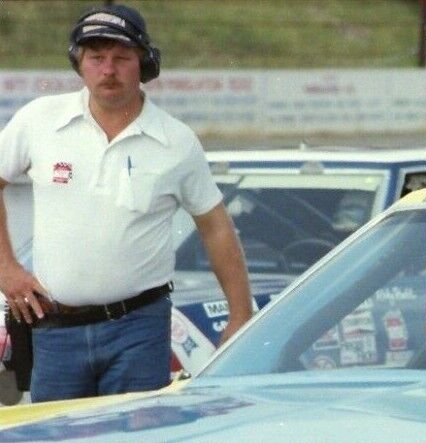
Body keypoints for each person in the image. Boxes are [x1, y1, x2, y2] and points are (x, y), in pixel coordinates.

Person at [0, 3, 251, 403]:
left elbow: (216, 226)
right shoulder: (38, 121)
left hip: (138, 327)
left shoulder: (176, 141)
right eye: (96, 58)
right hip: (55, 330)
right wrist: (7, 267)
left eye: (122, 58)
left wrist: (240, 315)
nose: (108, 69)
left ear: (144, 64)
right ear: (79, 64)